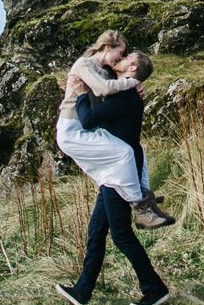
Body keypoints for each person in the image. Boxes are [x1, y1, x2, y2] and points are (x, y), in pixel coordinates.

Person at [56, 50, 171, 305]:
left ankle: (155, 289)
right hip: (115, 169)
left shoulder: (127, 96)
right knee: (97, 230)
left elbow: (87, 119)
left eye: (126, 58)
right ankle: (83, 291)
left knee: (121, 234)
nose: (119, 60)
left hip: (120, 171)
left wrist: (81, 92)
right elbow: (103, 77)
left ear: (131, 69)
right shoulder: (125, 92)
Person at [54, 30, 169, 229]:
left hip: (87, 128)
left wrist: (135, 84)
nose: (121, 57)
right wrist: (133, 81)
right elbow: (104, 89)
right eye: (121, 52)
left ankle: (144, 196)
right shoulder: (84, 64)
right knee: (125, 152)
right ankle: (140, 207)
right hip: (72, 129)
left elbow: (113, 84)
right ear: (108, 48)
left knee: (135, 151)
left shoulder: (105, 70)